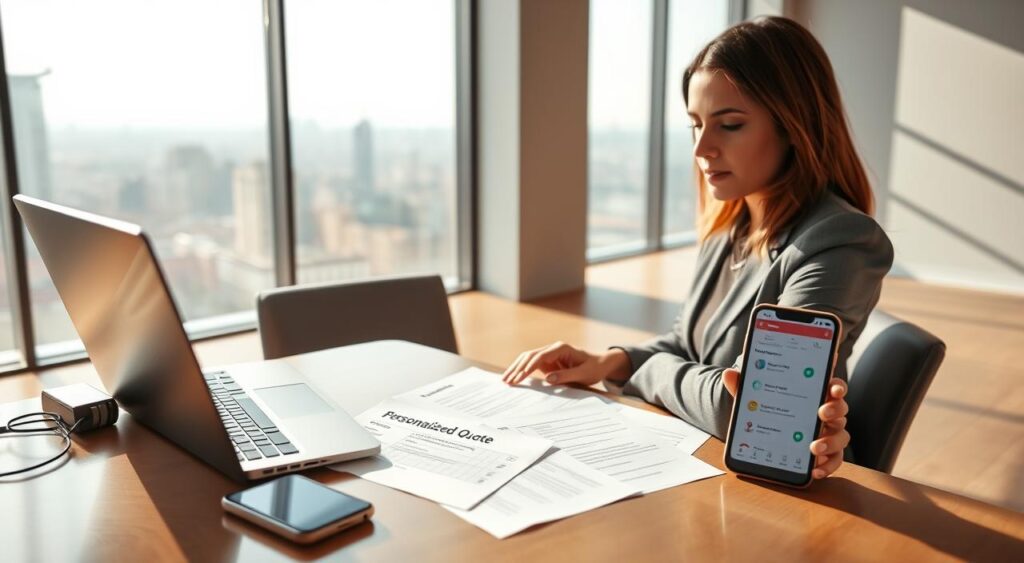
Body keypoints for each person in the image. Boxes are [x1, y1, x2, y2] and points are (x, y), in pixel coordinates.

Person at [502, 16, 893, 481]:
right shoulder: (731, 223)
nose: (702, 148)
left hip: (781, 485)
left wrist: (648, 372)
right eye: (695, 125)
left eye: (729, 125)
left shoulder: (839, 241)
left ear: (794, 125)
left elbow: (749, 411)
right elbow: (687, 343)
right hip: (697, 456)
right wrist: (611, 360)